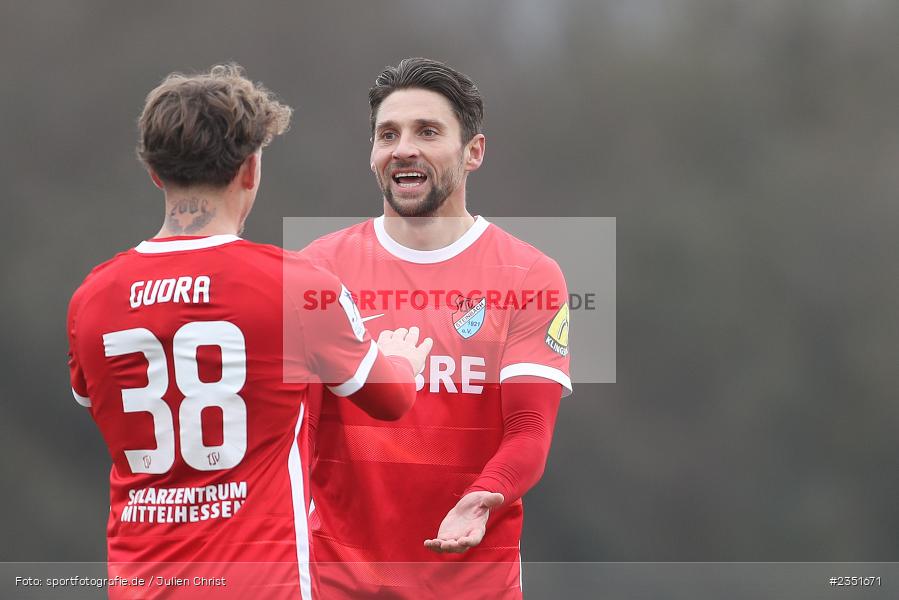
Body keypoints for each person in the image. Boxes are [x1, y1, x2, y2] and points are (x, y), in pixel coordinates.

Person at [65, 64, 431, 600]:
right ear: (251, 168)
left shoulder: (93, 296)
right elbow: (391, 400)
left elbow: (95, 399)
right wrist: (401, 360)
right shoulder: (297, 286)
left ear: (154, 172)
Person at [301, 57, 572, 599]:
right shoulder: (316, 272)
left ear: (473, 152)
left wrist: (485, 495)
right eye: (388, 134)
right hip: (336, 585)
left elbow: (529, 431)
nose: (403, 148)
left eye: (427, 131)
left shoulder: (530, 275)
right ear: (374, 154)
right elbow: (292, 433)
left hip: (473, 584)